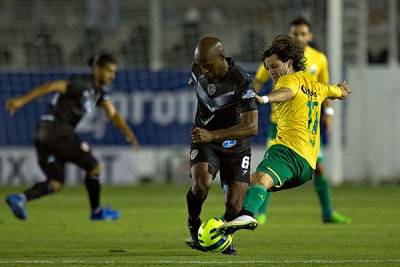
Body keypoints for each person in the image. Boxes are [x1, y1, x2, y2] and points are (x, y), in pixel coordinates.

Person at [218, 34, 351, 235]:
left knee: (260, 178)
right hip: (307, 165)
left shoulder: (288, 80)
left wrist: (264, 99)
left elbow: (286, 92)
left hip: (288, 152)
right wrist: (342, 90)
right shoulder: (315, 85)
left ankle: (248, 214)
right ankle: (220, 228)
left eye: (274, 66)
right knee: (250, 183)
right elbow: (335, 92)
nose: (271, 72)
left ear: (289, 63)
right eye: (269, 68)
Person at [5, 53, 139, 221]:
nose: (112, 76)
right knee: (95, 167)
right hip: (56, 130)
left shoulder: (98, 93)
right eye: (109, 71)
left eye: (114, 72)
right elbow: (52, 86)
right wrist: (20, 101)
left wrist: (129, 134)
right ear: (97, 70)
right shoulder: (81, 83)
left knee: (55, 183)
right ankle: (96, 211)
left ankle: (19, 198)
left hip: (44, 135)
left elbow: (113, 114)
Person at [252, 17, 350, 224]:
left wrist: (329, 114)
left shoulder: (319, 59)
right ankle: (259, 212)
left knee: (319, 168)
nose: (298, 37)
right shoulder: (275, 60)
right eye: (295, 34)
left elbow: (324, 88)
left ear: (309, 36)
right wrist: (252, 99)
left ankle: (328, 212)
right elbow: (260, 81)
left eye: (302, 34)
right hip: (279, 124)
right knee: (270, 168)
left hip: (307, 127)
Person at [185, 36, 258, 254]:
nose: (204, 71)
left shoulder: (242, 81)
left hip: (236, 144)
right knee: (200, 185)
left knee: (234, 205)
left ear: (222, 57)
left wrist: (212, 134)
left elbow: (252, 127)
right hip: (205, 140)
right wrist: (206, 135)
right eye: (201, 66)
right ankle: (194, 223)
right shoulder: (197, 71)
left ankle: (224, 237)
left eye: (208, 66)